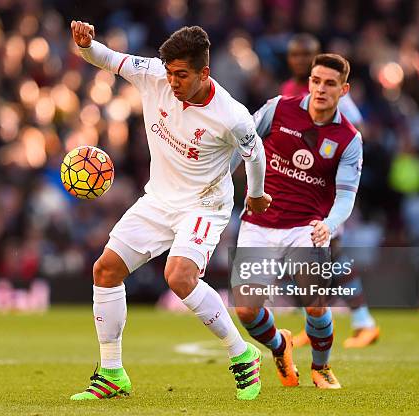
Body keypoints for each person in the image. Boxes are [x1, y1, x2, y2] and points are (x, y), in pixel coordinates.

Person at [69, 21, 272, 401]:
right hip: (159, 199)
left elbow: (255, 153)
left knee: (179, 275)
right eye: (170, 72)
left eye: (182, 75)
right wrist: (85, 46)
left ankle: (242, 354)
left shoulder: (231, 115)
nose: (173, 82)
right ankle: (112, 373)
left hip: (205, 204)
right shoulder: (154, 76)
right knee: (105, 270)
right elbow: (107, 58)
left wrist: (257, 194)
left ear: (204, 73)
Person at [231, 53, 363, 389]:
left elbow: (346, 196)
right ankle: (280, 346)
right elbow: (241, 141)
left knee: (316, 306)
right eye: (316, 81)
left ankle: (321, 368)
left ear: (343, 89)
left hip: (306, 229)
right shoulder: (278, 109)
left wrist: (329, 225)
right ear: (309, 82)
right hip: (259, 223)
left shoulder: (348, 139)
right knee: (246, 310)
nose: (321, 88)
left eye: (330, 83)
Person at [283, 33, 379, 349]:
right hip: (295, 183)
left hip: (324, 185)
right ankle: (318, 322)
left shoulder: (333, 93)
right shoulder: (288, 91)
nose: (300, 60)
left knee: (331, 254)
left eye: (306, 55)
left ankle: (363, 322)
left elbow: (356, 133)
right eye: (295, 55)